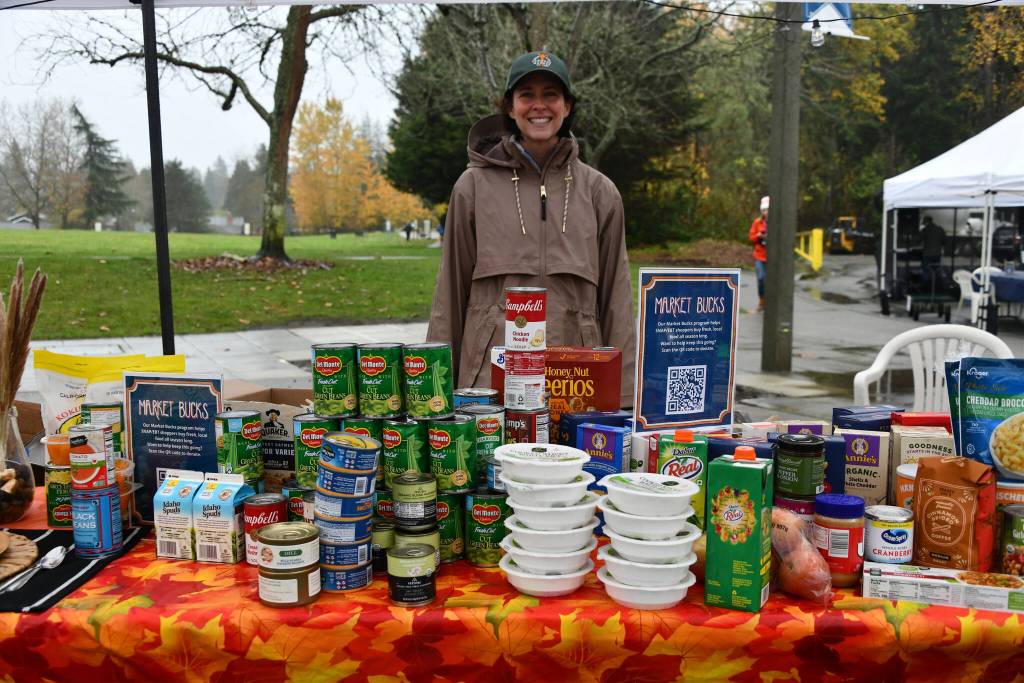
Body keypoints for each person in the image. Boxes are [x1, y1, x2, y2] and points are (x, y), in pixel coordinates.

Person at [427, 51, 635, 406]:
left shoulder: (600, 193)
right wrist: (434, 386)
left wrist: (626, 395)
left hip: (577, 386)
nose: (540, 106)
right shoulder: (472, 187)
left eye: (551, 95)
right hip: (489, 383)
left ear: (567, 106)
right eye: (527, 95)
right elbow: (450, 290)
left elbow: (617, 297)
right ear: (510, 107)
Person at [749, 196, 769, 312]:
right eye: (765, 210)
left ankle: (771, 302)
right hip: (759, 255)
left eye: (768, 209)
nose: (767, 212)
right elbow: (751, 237)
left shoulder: (776, 223)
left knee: (771, 281)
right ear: (762, 211)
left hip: (771, 256)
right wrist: (758, 235)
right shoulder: (757, 222)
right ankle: (761, 300)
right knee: (761, 279)